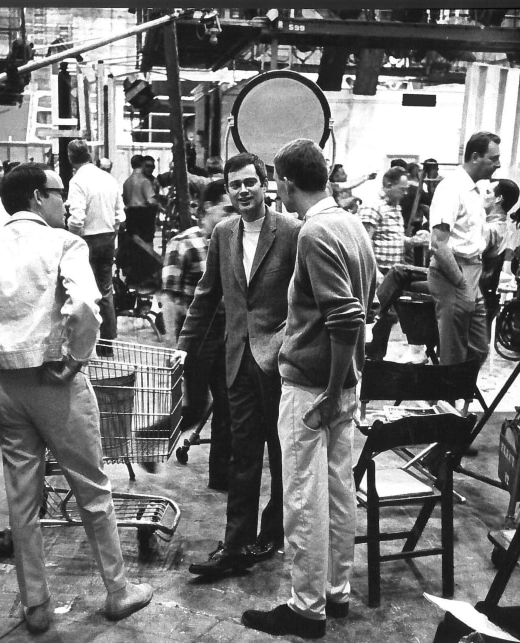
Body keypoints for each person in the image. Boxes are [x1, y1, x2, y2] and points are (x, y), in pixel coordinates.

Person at [0, 163, 153, 634]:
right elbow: (86, 305)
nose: (63, 202)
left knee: (22, 500)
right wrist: (76, 356)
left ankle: (36, 607)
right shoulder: (63, 243)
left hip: (5, 387)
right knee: (92, 489)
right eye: (56, 193)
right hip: (56, 384)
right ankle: (117, 591)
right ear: (35, 196)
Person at [241, 138, 376, 639]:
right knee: (339, 491)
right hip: (341, 386)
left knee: (303, 496)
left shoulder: (315, 233)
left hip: (314, 389)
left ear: (285, 183)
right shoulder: (351, 223)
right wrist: (348, 381)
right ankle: (336, 593)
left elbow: (346, 317)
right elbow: (369, 305)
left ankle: (305, 607)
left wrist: (330, 388)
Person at [175, 152, 301, 576]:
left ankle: (272, 533)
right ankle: (235, 546)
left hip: (280, 363)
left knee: (283, 454)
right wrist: (185, 346)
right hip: (236, 361)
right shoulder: (224, 234)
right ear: (227, 191)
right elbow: (207, 295)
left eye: (250, 182)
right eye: (235, 185)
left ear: (265, 184)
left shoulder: (292, 232)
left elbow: (304, 298)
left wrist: (288, 343)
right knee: (243, 455)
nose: (243, 190)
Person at [162, 180, 232, 490]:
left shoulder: (232, 241)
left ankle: (221, 476)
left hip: (227, 334)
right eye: (226, 209)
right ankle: (148, 441)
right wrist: (173, 346)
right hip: (197, 338)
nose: (232, 216)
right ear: (207, 209)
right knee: (195, 408)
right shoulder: (185, 243)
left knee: (228, 405)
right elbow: (170, 299)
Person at [427, 131, 501, 366]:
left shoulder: (474, 190)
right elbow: (438, 244)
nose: (498, 164)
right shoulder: (452, 188)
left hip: (472, 273)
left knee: (478, 350)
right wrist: (460, 283)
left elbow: (471, 235)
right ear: (476, 157)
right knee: (453, 355)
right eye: (493, 158)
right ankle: (445, 400)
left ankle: (456, 397)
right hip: (453, 274)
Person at [361, 167, 425, 362]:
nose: (406, 193)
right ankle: (369, 355)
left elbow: (394, 238)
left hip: (394, 269)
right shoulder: (373, 206)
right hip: (379, 270)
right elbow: (364, 242)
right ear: (388, 185)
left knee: (388, 317)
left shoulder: (395, 206)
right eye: (402, 188)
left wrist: (413, 241)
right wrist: (374, 272)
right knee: (377, 315)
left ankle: (375, 357)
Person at [66, 139, 126, 345]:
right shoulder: (109, 179)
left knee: (83, 292)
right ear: (90, 155)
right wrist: (112, 234)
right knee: (105, 290)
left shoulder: (77, 182)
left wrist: (70, 236)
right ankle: (107, 342)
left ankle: (85, 343)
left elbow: (77, 219)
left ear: (70, 158)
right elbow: (120, 216)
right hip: (108, 238)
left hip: (86, 240)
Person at [480, 178, 520, 326]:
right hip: (488, 292)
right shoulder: (507, 227)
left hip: (475, 289)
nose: (484, 196)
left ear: (499, 199)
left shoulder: (490, 229)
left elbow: (469, 255)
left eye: (488, 192)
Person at [122, 154, 159, 243]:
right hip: (144, 215)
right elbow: (150, 201)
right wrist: (159, 205)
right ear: (142, 164)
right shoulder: (145, 181)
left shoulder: (127, 182)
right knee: (147, 243)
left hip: (130, 215)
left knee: (133, 243)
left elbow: (125, 200)